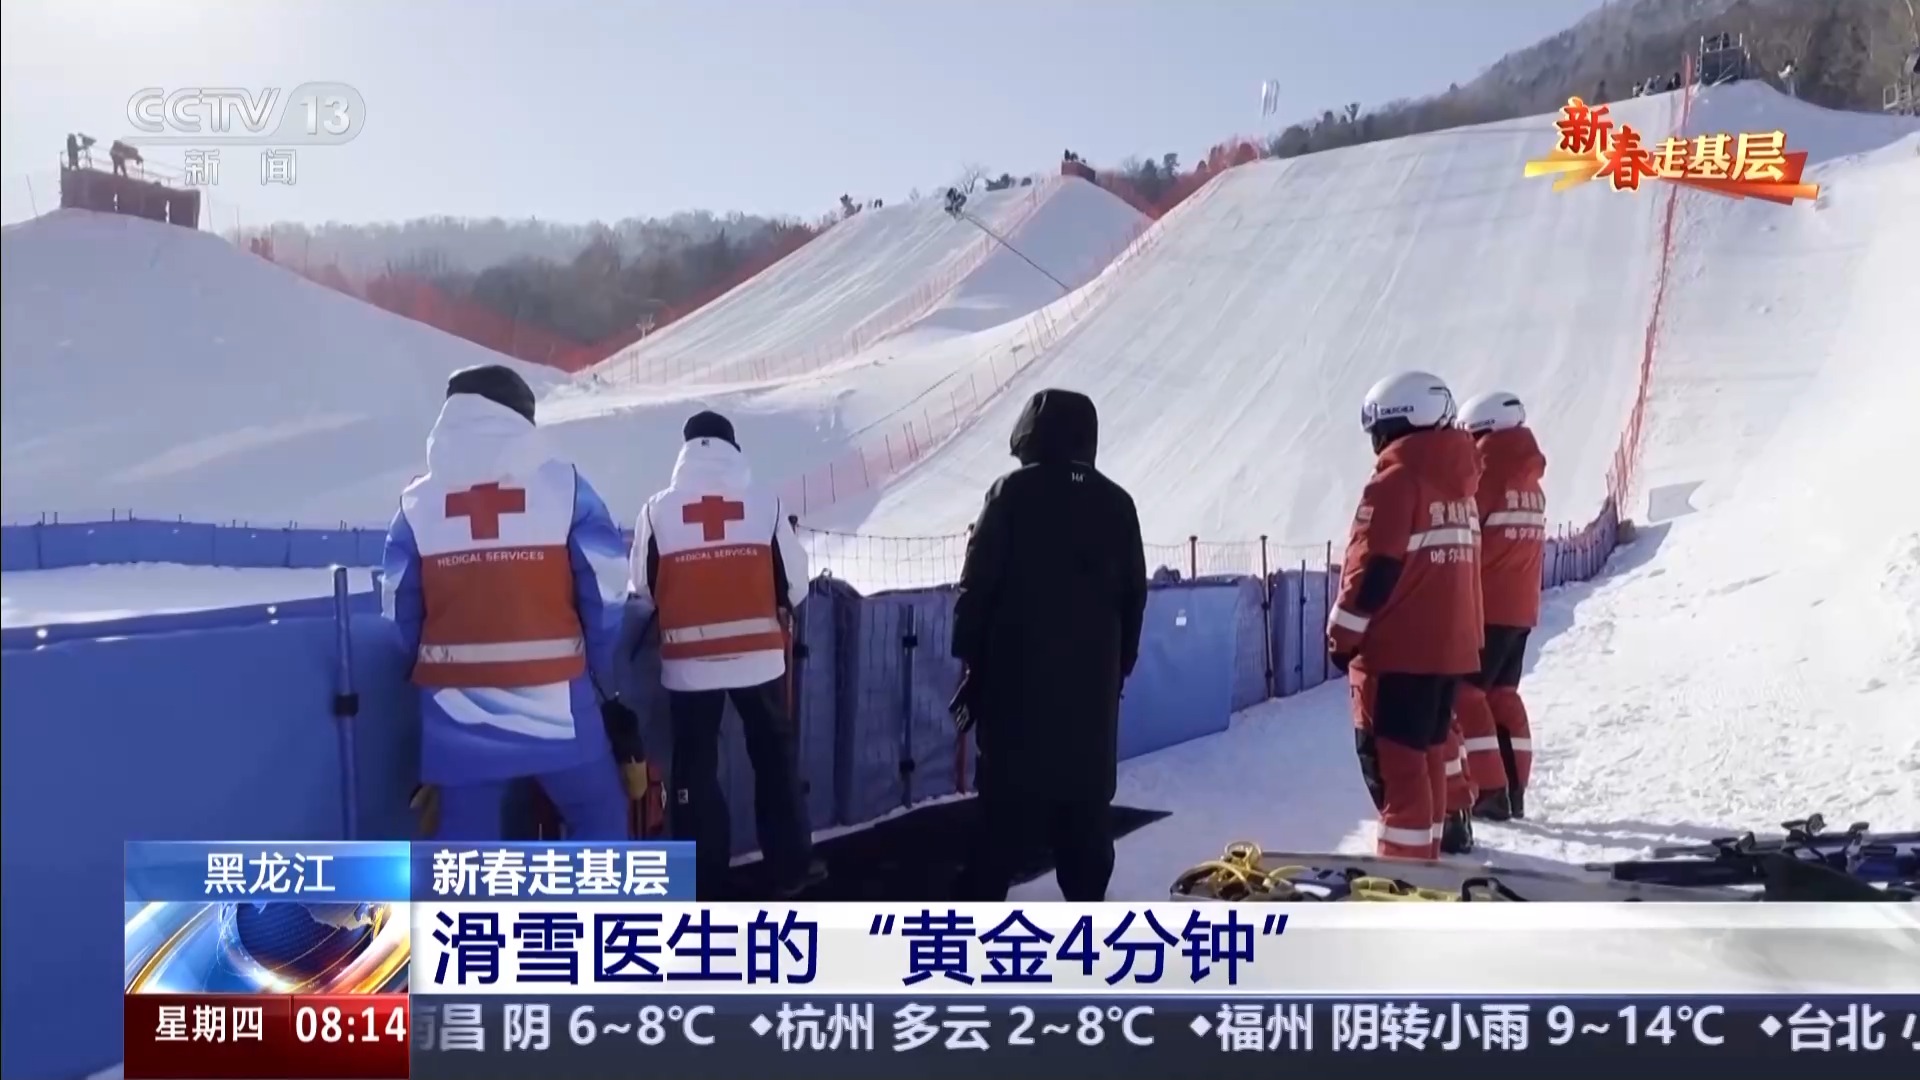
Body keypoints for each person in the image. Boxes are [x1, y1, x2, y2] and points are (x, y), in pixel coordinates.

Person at [382, 364, 637, 841]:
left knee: (464, 839)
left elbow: (399, 603)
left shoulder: (416, 503)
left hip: (455, 705)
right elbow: (606, 587)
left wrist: (429, 664)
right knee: (597, 814)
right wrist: (599, 663)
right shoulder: (565, 487)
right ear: (521, 416)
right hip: (556, 697)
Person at [951, 389, 1148, 901]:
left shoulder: (1010, 494)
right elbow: (1135, 597)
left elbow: (977, 587)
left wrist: (971, 661)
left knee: (998, 828)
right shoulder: (1118, 504)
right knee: (1086, 830)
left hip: (1015, 694)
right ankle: (1087, 928)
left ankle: (975, 927)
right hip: (1091, 702)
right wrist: (1117, 668)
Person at [630, 410, 822, 899]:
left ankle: (704, 881)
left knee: (694, 769)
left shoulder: (656, 510)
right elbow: (795, 586)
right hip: (759, 658)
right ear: (733, 448)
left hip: (688, 665)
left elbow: (644, 588)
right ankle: (790, 868)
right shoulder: (764, 505)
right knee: (773, 758)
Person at [1327, 372, 1484, 859]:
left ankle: (1404, 873)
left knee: (1398, 770)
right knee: (1428, 757)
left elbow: (1371, 571)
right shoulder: (1459, 486)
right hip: (1449, 652)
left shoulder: (1395, 483)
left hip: (1399, 655)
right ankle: (1426, 862)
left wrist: (1341, 637)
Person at [1454, 392, 1546, 822]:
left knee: (1467, 694)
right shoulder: (1531, 483)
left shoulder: (1485, 478)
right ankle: (1514, 788)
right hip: (1521, 609)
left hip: (1485, 607)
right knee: (1502, 695)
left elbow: (1462, 536)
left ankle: (1489, 791)